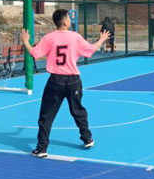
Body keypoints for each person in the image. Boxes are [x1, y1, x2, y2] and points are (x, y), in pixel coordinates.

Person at [20, 9, 110, 158]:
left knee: (46, 115)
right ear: (65, 22)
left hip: (55, 81)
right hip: (73, 80)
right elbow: (90, 50)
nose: (70, 20)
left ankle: (42, 148)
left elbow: (34, 53)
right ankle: (87, 138)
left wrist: (25, 41)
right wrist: (101, 40)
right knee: (78, 111)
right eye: (68, 17)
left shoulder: (49, 38)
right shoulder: (75, 37)